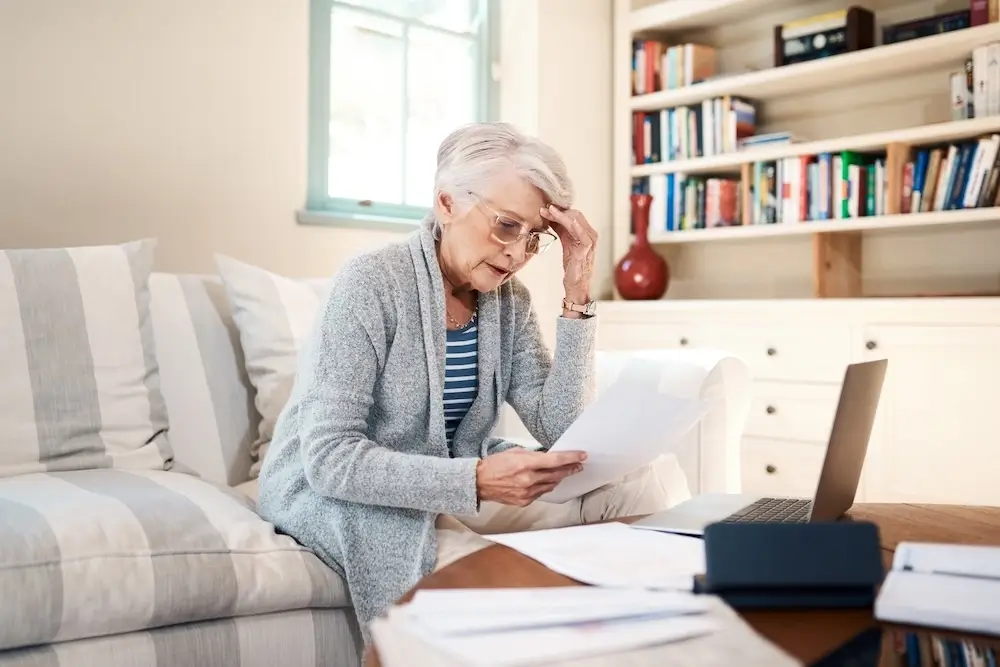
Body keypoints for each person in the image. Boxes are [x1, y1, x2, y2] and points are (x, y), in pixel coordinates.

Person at [256, 121, 681, 645]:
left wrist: (576, 291)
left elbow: (561, 427)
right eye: (506, 225)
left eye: (534, 238)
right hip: (350, 489)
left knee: (644, 480)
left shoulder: (510, 301)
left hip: (455, 472)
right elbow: (329, 459)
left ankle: (658, 637)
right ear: (447, 203)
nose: (517, 252)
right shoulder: (369, 284)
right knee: (493, 584)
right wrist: (475, 480)